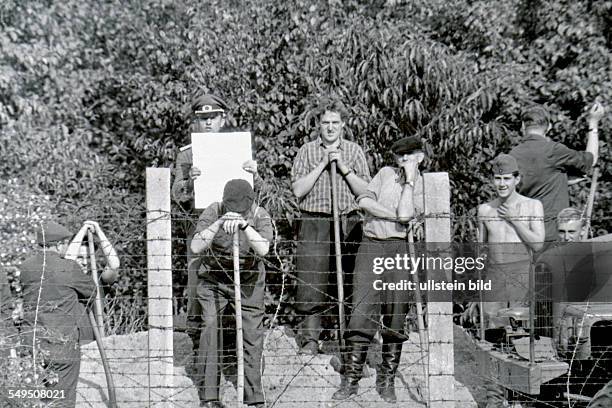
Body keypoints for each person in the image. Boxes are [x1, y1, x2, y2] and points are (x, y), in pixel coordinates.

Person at [332, 136, 424, 402]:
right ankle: (351, 379)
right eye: (399, 156)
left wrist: (409, 181)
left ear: (421, 157)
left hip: (400, 250)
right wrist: (394, 216)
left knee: (396, 312)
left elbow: (408, 212)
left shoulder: (425, 185)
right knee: (361, 308)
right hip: (371, 245)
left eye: (409, 155)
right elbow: (364, 202)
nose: (403, 160)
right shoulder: (384, 173)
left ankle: (387, 378)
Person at [172, 93, 258, 361]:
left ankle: (236, 341)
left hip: (234, 223)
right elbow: (176, 193)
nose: (208, 123)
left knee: (241, 276)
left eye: (212, 118)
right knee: (198, 279)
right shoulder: (187, 155)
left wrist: (254, 174)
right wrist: (190, 181)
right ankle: (198, 341)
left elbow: (257, 194)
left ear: (223, 119)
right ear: (196, 122)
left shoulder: (238, 149)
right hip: (202, 224)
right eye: (202, 119)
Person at [291, 98, 371, 354]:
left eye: (335, 123)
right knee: (310, 280)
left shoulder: (354, 151)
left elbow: (367, 191)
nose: (330, 128)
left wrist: (343, 168)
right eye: (325, 123)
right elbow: (298, 190)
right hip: (315, 219)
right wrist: (323, 164)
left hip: (349, 221)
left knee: (350, 280)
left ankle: (351, 339)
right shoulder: (306, 151)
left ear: (343, 125)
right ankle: (310, 339)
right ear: (318, 125)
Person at [191, 179, 272, 408]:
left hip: (248, 281)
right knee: (210, 326)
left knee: (252, 335)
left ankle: (254, 396)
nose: (235, 211)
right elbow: (196, 247)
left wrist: (245, 226)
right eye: (231, 207)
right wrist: (218, 223)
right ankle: (209, 397)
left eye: (241, 208)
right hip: (214, 280)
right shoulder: (214, 210)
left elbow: (264, 248)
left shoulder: (259, 214)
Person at [477, 154, 545, 408]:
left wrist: (514, 220)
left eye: (507, 178)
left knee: (521, 336)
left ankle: (522, 397)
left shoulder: (531, 206)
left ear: (517, 179)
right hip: (494, 275)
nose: (502, 183)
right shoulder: (485, 210)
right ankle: (494, 397)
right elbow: (480, 249)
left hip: (521, 274)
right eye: (497, 178)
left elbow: (537, 243)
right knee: (493, 337)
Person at [18, 222, 98, 407]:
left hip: (31, 343)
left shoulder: (26, 267)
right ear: (58, 244)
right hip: (61, 344)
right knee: (62, 399)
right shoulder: (69, 267)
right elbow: (92, 292)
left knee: (36, 398)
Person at [509, 102, 604, 242]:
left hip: (524, 234)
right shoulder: (554, 150)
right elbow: (591, 160)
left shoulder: (512, 155)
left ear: (522, 126)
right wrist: (593, 124)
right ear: (549, 127)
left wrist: (561, 180)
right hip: (554, 234)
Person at [64, 220, 120, 345]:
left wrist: (99, 232)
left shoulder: (98, 278)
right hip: (71, 341)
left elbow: (114, 265)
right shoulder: (65, 277)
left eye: (88, 258)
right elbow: (68, 260)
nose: (84, 262)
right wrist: (83, 231)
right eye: (80, 257)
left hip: (96, 342)